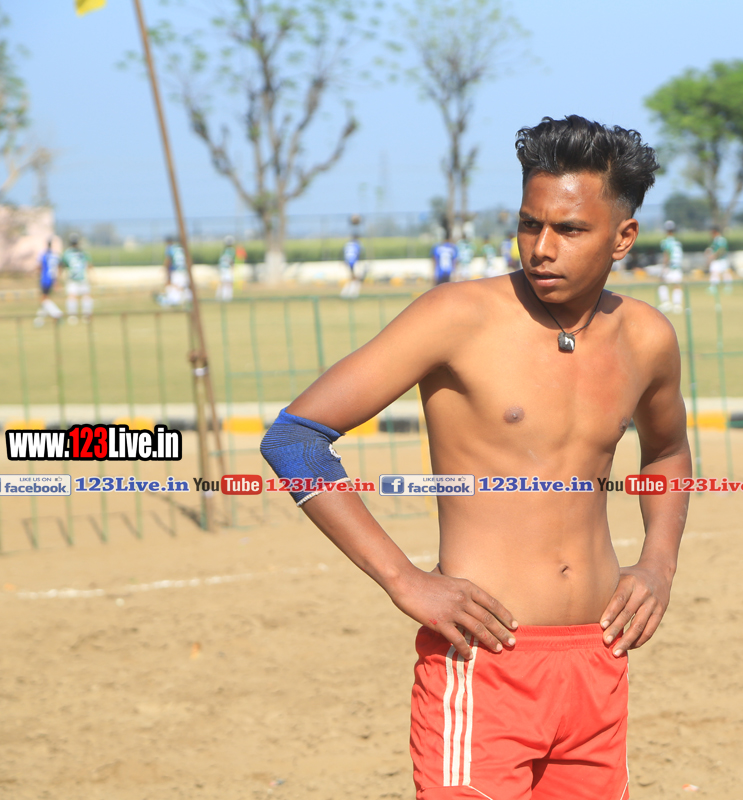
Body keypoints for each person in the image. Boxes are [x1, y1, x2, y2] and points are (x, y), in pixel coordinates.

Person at [260, 114, 691, 800]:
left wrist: (659, 564)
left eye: (570, 230)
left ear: (623, 237)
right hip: (484, 663)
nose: (542, 248)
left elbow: (666, 450)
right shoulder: (458, 317)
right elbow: (294, 439)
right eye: (529, 224)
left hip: (598, 660)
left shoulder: (646, 336)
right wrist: (404, 579)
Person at [61, 233, 93, 324]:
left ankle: (72, 317)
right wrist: (91, 276)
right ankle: (86, 316)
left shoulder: (67, 253)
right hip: (82, 277)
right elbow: (89, 265)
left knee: (72, 297)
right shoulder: (83, 252)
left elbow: (63, 265)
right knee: (86, 296)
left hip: (72, 278)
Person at [657, 220, 684, 313]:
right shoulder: (677, 242)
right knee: (677, 285)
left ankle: (666, 303)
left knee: (662, 282)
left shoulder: (665, 242)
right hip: (678, 266)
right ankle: (677, 305)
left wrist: (664, 267)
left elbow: (666, 255)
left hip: (670, 266)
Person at [35, 236, 63, 326]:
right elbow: (59, 267)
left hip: (45, 279)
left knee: (44, 299)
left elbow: (39, 267)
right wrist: (57, 281)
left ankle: (57, 313)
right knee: (45, 299)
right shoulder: (55, 255)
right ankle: (39, 319)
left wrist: (37, 275)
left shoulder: (43, 254)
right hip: (52, 279)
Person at [161, 235, 191, 307]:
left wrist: (165, 269)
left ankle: (175, 300)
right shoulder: (183, 248)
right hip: (184, 270)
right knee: (184, 285)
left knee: (175, 285)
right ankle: (188, 299)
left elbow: (168, 260)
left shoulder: (171, 248)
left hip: (176, 270)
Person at [705, 225, 730, 290]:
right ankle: (714, 286)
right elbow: (712, 249)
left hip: (721, 260)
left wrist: (714, 256)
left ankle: (728, 286)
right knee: (714, 272)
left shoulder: (721, 239)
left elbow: (721, 249)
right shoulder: (715, 240)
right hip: (717, 260)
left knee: (724, 273)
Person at [341, 233, 363, 298]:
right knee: (356, 278)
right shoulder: (357, 244)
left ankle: (345, 293)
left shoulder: (347, 244)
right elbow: (358, 253)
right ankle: (352, 294)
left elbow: (343, 253)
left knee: (351, 278)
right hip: (354, 262)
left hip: (347, 262)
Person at [217, 236, 236, 302]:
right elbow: (231, 261)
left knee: (223, 282)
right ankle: (227, 297)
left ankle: (219, 296)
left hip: (222, 268)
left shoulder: (223, 251)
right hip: (227, 268)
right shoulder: (231, 250)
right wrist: (233, 268)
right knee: (228, 283)